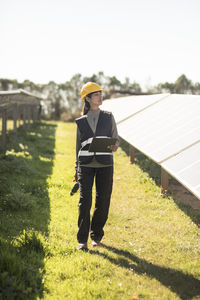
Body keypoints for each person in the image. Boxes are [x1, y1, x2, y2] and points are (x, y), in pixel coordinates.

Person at [74, 82, 119, 250]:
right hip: (85, 165)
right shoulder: (81, 122)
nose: (100, 97)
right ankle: (82, 240)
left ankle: (96, 235)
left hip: (105, 165)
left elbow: (116, 138)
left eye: (101, 94)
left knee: (103, 200)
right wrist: (76, 170)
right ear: (87, 99)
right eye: (96, 94)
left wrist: (114, 145)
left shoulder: (108, 116)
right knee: (85, 202)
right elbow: (77, 148)